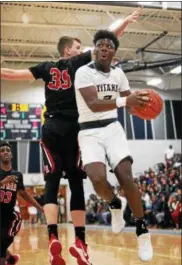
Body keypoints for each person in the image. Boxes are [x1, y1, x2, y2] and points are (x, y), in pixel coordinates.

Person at [1, 8, 143, 265]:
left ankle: (53, 236)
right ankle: (80, 241)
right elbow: (108, 38)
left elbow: (10, 74)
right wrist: (127, 22)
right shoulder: (79, 65)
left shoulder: (45, 68)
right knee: (76, 183)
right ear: (68, 50)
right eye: (78, 46)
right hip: (75, 129)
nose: (82, 50)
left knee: (52, 182)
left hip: (51, 128)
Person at [74, 29, 153, 262]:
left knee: (125, 175)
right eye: (100, 45)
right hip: (89, 130)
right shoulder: (83, 72)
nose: (104, 48)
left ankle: (142, 230)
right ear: (94, 50)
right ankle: (115, 203)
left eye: (109, 46)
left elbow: (130, 104)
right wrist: (124, 101)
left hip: (112, 128)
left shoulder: (119, 74)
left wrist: (143, 106)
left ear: (114, 52)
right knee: (97, 179)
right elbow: (93, 103)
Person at [0, 142, 43, 265]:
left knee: (2, 243)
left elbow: (24, 194)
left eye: (7, 150)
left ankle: (9, 259)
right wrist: (2, 182)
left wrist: (40, 208)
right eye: (2, 150)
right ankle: (10, 259)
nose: (5, 152)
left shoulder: (17, 175)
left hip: (9, 216)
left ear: (11, 155)